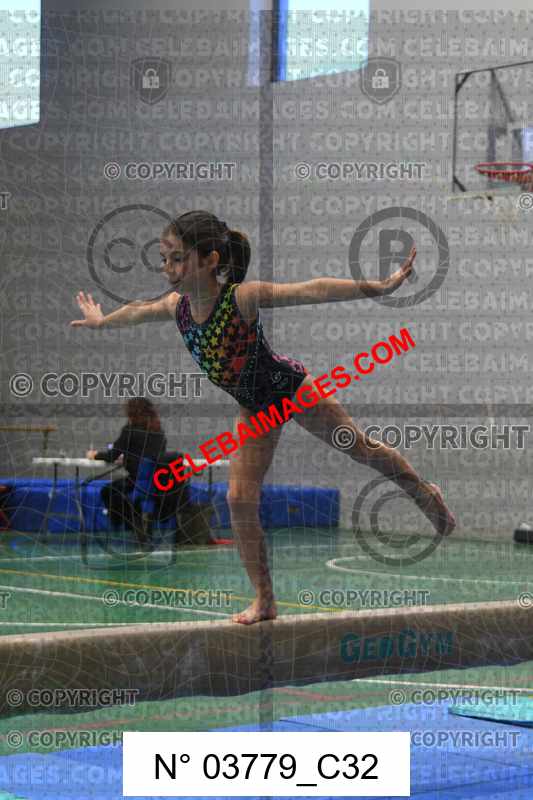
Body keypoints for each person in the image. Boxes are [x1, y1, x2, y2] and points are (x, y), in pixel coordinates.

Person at [72, 210, 456, 624]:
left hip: (290, 390)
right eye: (165, 259)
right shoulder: (176, 307)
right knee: (238, 498)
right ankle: (265, 599)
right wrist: (101, 322)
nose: (168, 268)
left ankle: (422, 492)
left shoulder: (240, 298)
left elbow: (313, 290)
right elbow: (136, 311)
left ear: (210, 260)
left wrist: (380, 285)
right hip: (255, 408)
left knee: (361, 449)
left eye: (178, 258)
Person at [86, 397, 167, 545]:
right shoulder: (159, 432)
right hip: (156, 481)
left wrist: (95, 455)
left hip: (136, 480)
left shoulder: (129, 430)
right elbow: (154, 456)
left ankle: (128, 524)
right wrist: (128, 458)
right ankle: (137, 525)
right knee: (125, 494)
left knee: (108, 491)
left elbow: (112, 455)